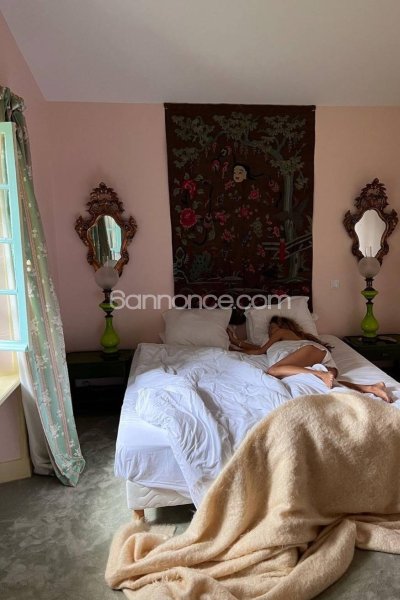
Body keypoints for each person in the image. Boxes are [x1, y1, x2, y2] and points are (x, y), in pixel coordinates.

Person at [228, 315, 393, 403]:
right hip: (312, 357)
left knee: (272, 371)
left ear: (282, 326)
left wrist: (237, 343)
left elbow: (259, 351)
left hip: (308, 352)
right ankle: (371, 388)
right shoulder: (278, 340)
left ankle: (321, 374)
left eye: (272, 327)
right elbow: (258, 349)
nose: (271, 331)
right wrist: (237, 345)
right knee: (318, 383)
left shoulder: (281, 333)